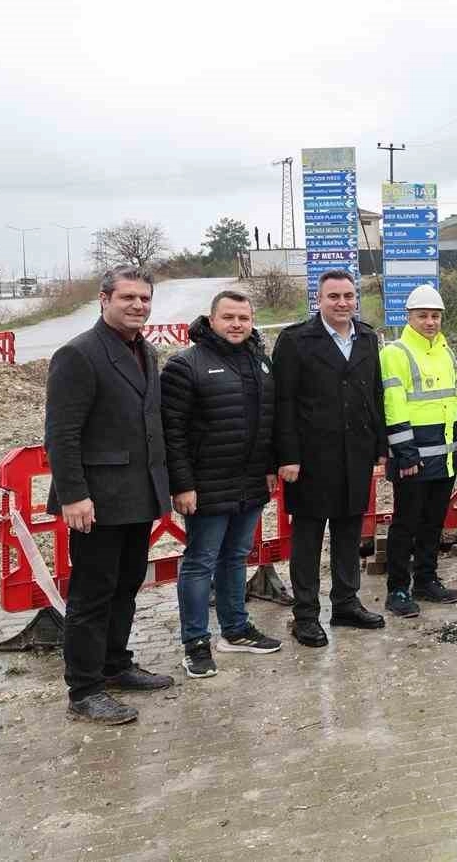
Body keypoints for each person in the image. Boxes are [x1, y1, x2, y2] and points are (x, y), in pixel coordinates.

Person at [45, 266, 175, 724]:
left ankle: (116, 665)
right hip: (96, 500)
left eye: (144, 298)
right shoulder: (78, 354)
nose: (138, 305)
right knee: (92, 594)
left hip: (137, 494)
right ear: (104, 300)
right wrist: (73, 495)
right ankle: (84, 689)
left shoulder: (146, 352)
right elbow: (62, 433)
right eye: (128, 297)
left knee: (126, 584)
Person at [161, 290, 282, 681]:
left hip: (250, 481)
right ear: (211, 320)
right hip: (206, 484)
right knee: (200, 562)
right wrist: (182, 485)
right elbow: (172, 432)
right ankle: (196, 643)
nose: (236, 325)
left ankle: (236, 629)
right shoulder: (186, 365)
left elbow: (267, 420)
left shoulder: (260, 361)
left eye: (244, 318)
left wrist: (269, 466)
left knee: (236, 557)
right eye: (228, 317)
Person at [273, 269, 389, 648]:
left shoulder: (367, 338)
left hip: (355, 454)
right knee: (308, 539)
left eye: (348, 296)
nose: (342, 303)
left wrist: (380, 446)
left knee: (348, 532)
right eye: (334, 296)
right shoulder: (295, 341)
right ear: (319, 300)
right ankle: (305, 614)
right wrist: (287, 456)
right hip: (311, 459)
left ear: (356, 299)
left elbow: (374, 395)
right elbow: (283, 402)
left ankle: (345, 603)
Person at [379, 285, 457, 617]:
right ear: (409, 317)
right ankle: (398, 589)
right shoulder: (395, 353)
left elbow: (450, 402)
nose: (430, 322)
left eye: (435, 316)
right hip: (412, 457)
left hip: (444, 455)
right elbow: (393, 405)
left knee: (432, 523)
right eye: (423, 316)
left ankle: (426, 580)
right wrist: (405, 453)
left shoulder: (445, 352)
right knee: (406, 524)